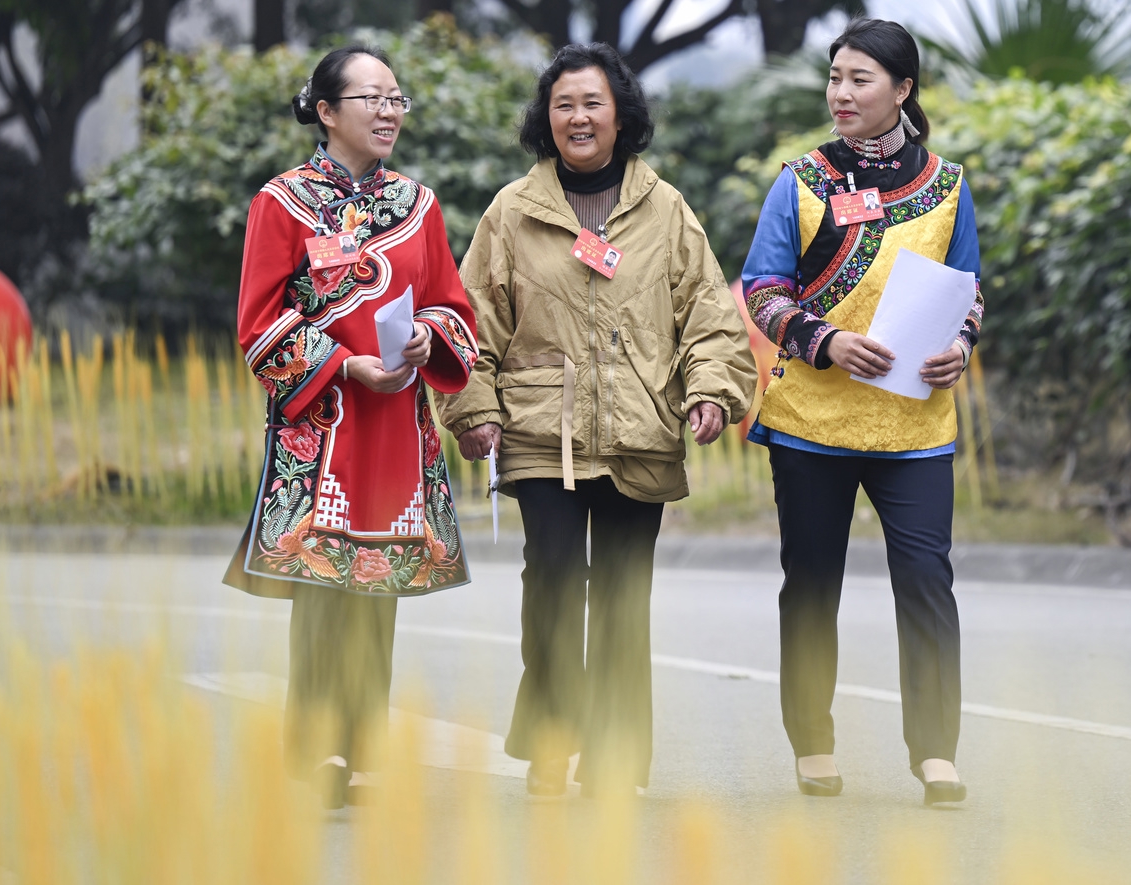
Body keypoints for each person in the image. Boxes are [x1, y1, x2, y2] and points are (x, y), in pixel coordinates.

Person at [438, 43, 756, 797]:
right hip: (540, 431)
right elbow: (470, 320)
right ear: (546, 119)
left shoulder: (666, 209)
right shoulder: (512, 211)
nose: (578, 117)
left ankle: (614, 757)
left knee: (620, 595)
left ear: (621, 115)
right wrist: (474, 408)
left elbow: (707, 315)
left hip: (640, 430)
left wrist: (711, 390)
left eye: (592, 103)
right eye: (564, 105)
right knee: (551, 579)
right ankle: (552, 742)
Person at [224, 44, 480, 808]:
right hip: (324, 428)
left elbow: (451, 305)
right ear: (327, 110)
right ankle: (317, 751)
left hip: (397, 425)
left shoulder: (419, 205)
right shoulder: (282, 202)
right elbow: (259, 321)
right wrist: (343, 363)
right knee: (321, 588)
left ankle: (364, 748)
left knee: (378, 587)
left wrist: (430, 335)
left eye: (396, 98)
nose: (389, 111)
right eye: (372, 97)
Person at [740, 17, 983, 807]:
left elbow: (969, 290)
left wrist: (960, 347)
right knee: (812, 584)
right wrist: (827, 342)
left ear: (902, 90)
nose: (840, 93)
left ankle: (936, 751)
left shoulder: (949, 186)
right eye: (835, 77)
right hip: (812, 425)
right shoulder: (800, 182)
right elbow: (762, 290)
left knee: (927, 580)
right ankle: (812, 740)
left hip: (916, 427)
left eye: (859, 79)